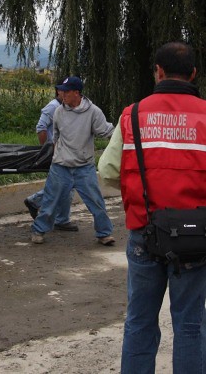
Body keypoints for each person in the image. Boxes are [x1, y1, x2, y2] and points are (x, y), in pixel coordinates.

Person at [98, 41, 206, 374]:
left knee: (140, 322)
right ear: (193, 74)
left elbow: (108, 172)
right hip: (195, 236)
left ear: (157, 72)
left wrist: (142, 190)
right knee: (190, 325)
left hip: (145, 233)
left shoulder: (132, 115)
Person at [31, 76, 115, 245]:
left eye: (66, 91)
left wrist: (122, 141)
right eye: (61, 91)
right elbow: (55, 136)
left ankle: (104, 234)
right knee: (49, 201)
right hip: (60, 167)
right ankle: (38, 230)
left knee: (96, 202)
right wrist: (56, 156)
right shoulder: (59, 112)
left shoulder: (93, 112)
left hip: (84, 167)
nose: (61, 94)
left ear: (77, 93)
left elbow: (107, 131)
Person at [24, 82, 78, 231]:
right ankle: (40, 204)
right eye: (63, 91)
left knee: (65, 184)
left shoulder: (65, 107)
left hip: (64, 152)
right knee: (66, 184)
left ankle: (59, 217)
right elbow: (40, 127)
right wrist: (46, 150)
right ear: (58, 92)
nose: (66, 94)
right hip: (55, 153)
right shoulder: (53, 107)